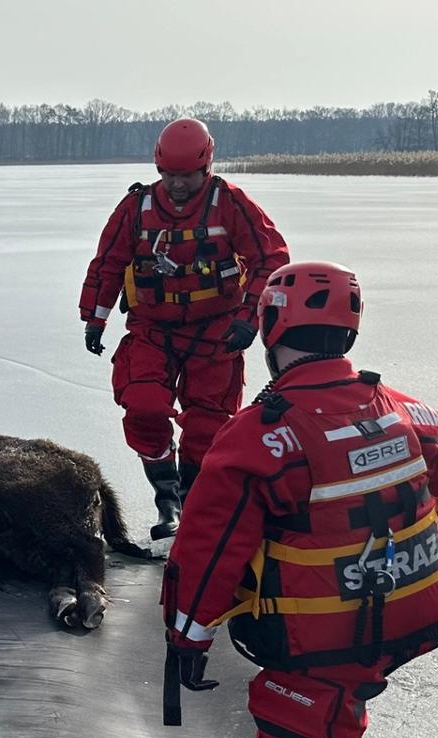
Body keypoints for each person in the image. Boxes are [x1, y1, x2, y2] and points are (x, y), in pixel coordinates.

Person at [160, 262, 438, 738]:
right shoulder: (408, 411)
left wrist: (188, 639)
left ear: (270, 329)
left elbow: (207, 551)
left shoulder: (258, 438)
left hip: (325, 641)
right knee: (318, 737)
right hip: (422, 610)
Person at [77, 117, 291, 539]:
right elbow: (109, 264)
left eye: (186, 176)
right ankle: (167, 500)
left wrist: (250, 321)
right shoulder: (135, 208)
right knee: (143, 405)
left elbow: (272, 259)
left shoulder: (230, 203)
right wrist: (95, 318)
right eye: (169, 175)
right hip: (152, 329)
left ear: (206, 167)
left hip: (217, 332)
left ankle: (192, 506)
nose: (176, 185)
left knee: (208, 427)